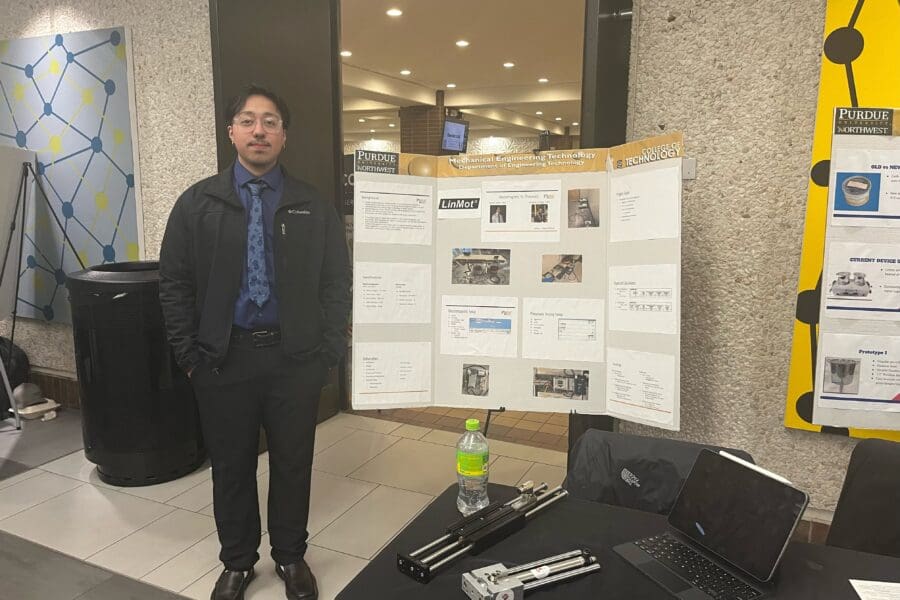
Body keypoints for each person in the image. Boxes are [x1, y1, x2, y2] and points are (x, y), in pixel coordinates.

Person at [159, 84, 350, 600]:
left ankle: (290, 556)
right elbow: (174, 284)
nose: (259, 130)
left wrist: (328, 351)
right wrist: (190, 357)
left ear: (284, 135)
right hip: (223, 361)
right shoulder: (197, 203)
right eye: (248, 120)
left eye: (270, 121)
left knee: (293, 462)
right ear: (232, 133)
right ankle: (238, 562)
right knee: (232, 465)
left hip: (296, 360)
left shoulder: (312, 204)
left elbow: (337, 281)